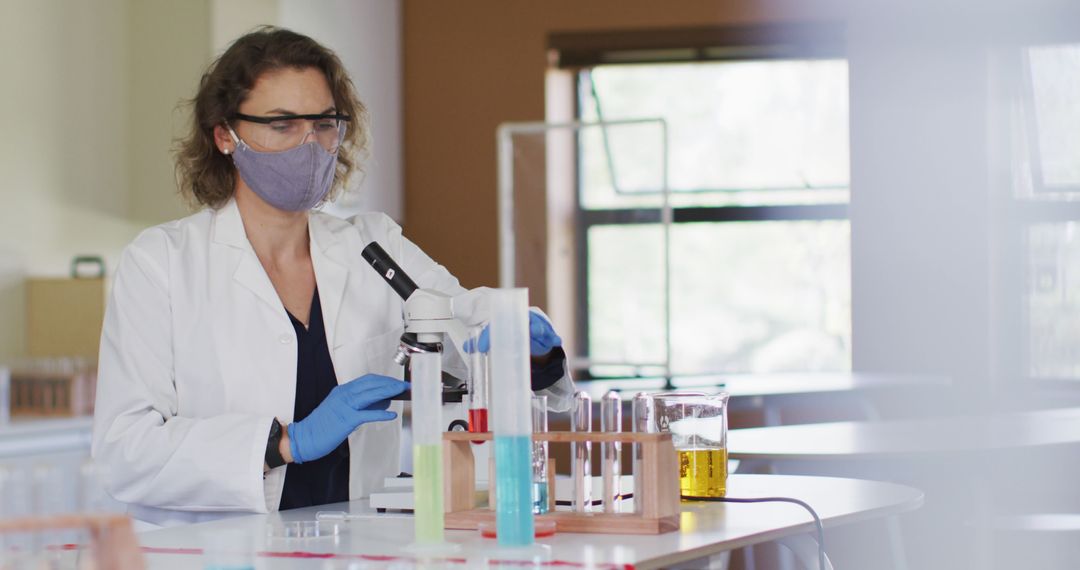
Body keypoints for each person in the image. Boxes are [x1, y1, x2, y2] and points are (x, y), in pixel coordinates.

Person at [91, 27, 573, 528]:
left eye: (324, 123)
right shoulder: (162, 263)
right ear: (224, 135)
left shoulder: (373, 245)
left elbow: (462, 333)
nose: (310, 144)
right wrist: (283, 444)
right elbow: (126, 452)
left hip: (356, 544)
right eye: (282, 125)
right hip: (215, 551)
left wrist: (527, 349)